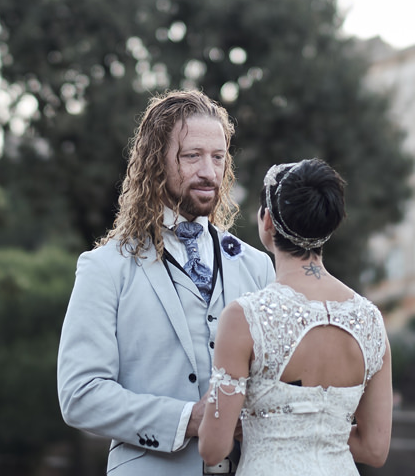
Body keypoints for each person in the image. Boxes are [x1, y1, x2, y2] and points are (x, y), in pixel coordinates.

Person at [57, 90, 275, 475]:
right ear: (155, 162)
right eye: (192, 156)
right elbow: (80, 395)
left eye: (218, 157)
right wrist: (187, 419)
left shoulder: (257, 266)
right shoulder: (105, 267)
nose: (209, 172)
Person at [197, 159, 393, 474]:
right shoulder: (369, 319)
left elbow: (213, 448)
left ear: (268, 221)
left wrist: (263, 426)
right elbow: (374, 449)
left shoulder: (245, 316)